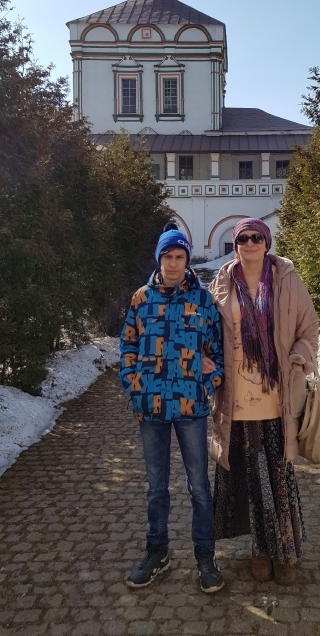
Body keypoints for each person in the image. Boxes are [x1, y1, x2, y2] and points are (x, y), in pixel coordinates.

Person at [204, 217, 319, 586]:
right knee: (252, 479)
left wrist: (300, 356)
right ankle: (259, 550)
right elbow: (206, 331)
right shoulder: (221, 284)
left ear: (267, 243)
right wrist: (203, 356)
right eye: (243, 238)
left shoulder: (287, 280)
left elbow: (308, 328)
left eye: (257, 237)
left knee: (278, 477)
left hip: (276, 398)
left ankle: (285, 552)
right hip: (236, 399)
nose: (250, 243)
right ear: (235, 244)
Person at [119, 223, 225, 593]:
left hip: (190, 408)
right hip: (151, 408)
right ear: (159, 258)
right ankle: (157, 552)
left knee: (198, 486)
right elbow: (128, 346)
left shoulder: (204, 301)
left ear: (187, 259)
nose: (174, 263)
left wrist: (207, 382)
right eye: (168, 256)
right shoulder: (141, 299)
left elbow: (218, 353)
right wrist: (134, 386)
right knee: (156, 487)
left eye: (180, 256)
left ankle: (205, 556)